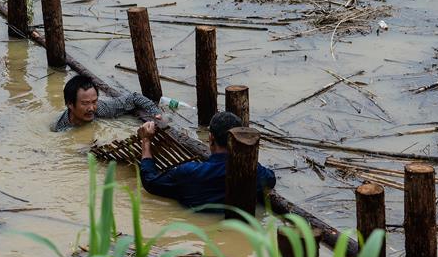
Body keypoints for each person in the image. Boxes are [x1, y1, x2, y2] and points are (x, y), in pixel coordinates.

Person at [137, 111, 276, 211]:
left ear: (210, 138)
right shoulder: (254, 172)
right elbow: (271, 178)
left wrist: (146, 141)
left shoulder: (189, 172)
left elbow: (150, 182)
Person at [51, 74, 161, 132]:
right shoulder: (61, 128)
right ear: (70, 104)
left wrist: (155, 111)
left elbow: (133, 97)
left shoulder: (100, 108)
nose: (91, 108)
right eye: (85, 103)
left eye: (94, 101)